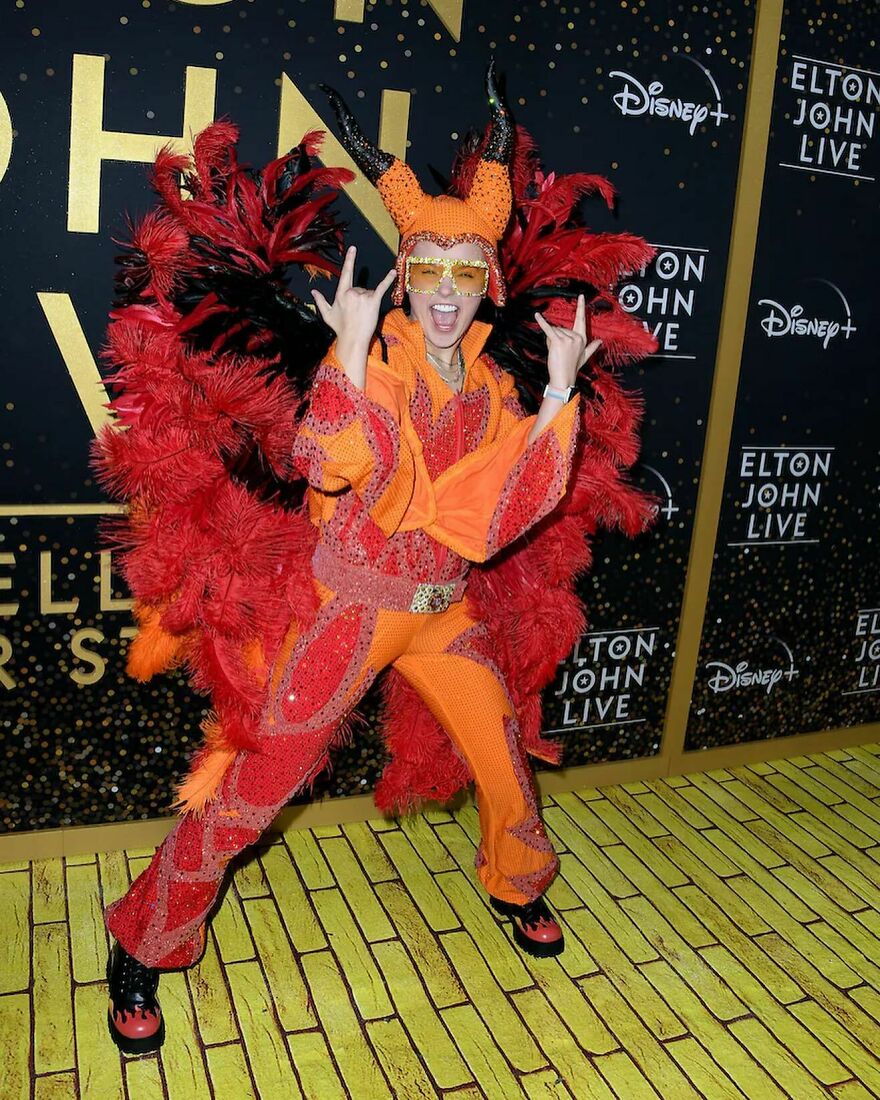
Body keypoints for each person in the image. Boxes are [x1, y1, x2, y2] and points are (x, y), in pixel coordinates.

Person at [98, 63, 654, 1056]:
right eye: (426, 269)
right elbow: (327, 459)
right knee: (255, 791)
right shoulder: (379, 356)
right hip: (348, 610)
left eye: (462, 272)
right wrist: (348, 356)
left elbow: (509, 508)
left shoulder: (491, 384)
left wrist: (561, 401)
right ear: (406, 269)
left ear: (485, 281)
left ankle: (515, 881)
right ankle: (147, 935)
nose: (443, 294)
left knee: (505, 764)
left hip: (443, 609)